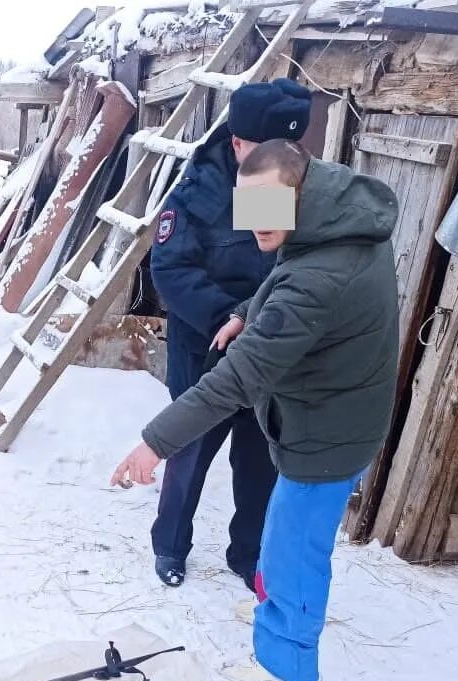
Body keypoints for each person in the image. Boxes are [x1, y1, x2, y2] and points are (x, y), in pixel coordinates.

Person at [112, 139, 400, 681]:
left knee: (297, 552)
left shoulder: (318, 278)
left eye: (268, 208)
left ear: (297, 190)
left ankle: (284, 662)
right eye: (250, 208)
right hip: (332, 409)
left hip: (326, 435)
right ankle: (276, 609)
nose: (257, 226)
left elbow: (237, 379)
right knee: (278, 531)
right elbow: (286, 273)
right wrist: (248, 311)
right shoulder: (332, 217)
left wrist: (155, 442)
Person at [148, 77, 312, 590]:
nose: (281, 163)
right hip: (206, 358)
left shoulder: (277, 187)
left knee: (258, 464)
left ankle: (247, 554)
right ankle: (171, 547)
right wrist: (228, 317)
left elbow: (278, 268)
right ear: (239, 143)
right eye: (268, 151)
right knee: (188, 459)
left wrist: (267, 324)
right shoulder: (199, 193)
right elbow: (171, 272)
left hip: (265, 360)